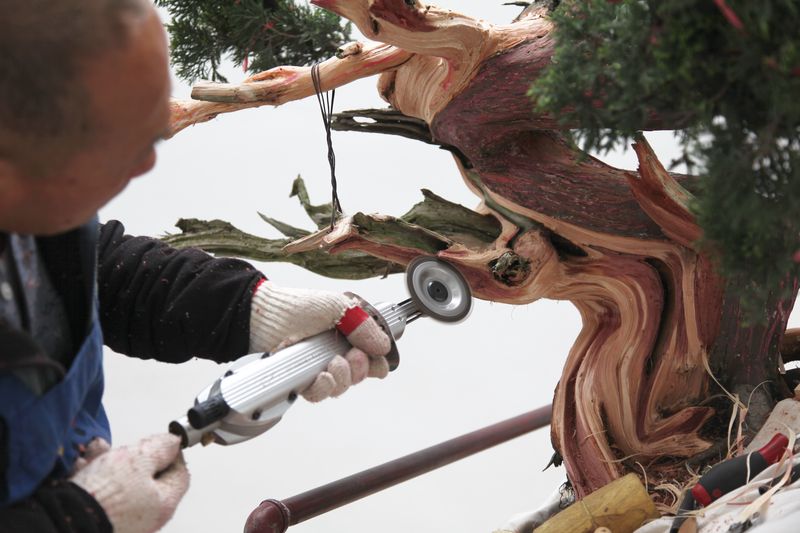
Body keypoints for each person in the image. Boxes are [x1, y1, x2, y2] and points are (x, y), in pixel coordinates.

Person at [0, 1, 391, 531]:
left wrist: (252, 309)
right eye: (125, 141)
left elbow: (96, 270)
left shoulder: (41, 206)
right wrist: (79, 516)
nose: (147, 163)